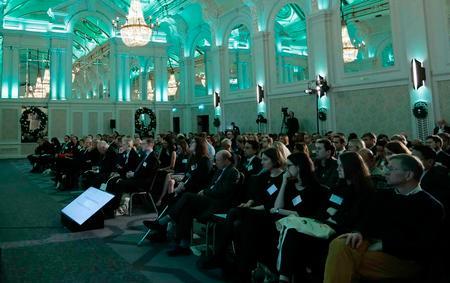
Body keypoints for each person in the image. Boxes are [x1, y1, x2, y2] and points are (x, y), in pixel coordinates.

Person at [324, 154, 445, 283]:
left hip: (402, 258)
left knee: (344, 260)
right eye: (386, 167)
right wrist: (359, 232)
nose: (385, 172)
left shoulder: (431, 206)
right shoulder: (383, 195)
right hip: (372, 243)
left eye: (391, 169)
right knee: (339, 243)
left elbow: (422, 245)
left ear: (408, 175)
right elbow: (367, 220)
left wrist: (384, 245)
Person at [277, 152, 374, 282]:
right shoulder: (339, 186)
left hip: (341, 231)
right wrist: (332, 212)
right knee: (292, 233)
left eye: (341, 166)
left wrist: (334, 213)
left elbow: (353, 216)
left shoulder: (364, 191)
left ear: (350, 167)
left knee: (297, 239)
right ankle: (284, 278)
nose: (338, 168)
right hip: (325, 224)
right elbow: (323, 209)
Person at [144, 150, 239, 256]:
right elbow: (211, 186)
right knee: (186, 209)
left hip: (217, 203)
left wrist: (205, 192)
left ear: (226, 160)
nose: (215, 162)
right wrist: (205, 191)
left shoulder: (233, 172)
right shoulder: (219, 171)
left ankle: (163, 221)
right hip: (209, 199)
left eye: (218, 160)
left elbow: (224, 191)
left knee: (187, 196)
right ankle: (183, 245)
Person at [105, 138, 160, 217]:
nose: (141, 145)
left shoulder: (153, 158)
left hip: (144, 183)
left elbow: (147, 174)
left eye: (143, 144)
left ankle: (118, 208)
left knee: (120, 183)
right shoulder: (145, 156)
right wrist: (133, 173)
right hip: (138, 179)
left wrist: (134, 175)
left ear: (150, 145)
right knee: (115, 182)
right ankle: (110, 206)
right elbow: (140, 170)